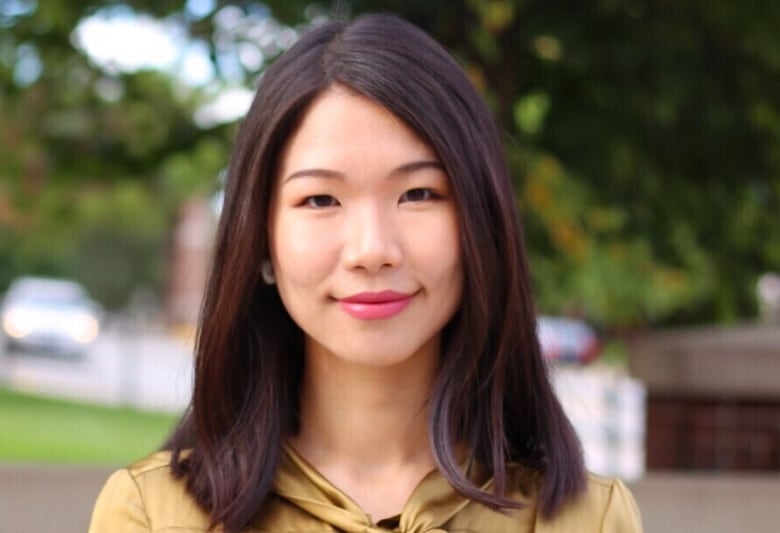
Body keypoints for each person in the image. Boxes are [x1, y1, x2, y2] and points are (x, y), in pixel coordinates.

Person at [89, 13, 642, 533]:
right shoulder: (154, 516)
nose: (372, 250)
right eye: (321, 199)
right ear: (260, 241)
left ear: (482, 224)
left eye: (418, 193)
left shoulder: (584, 519)